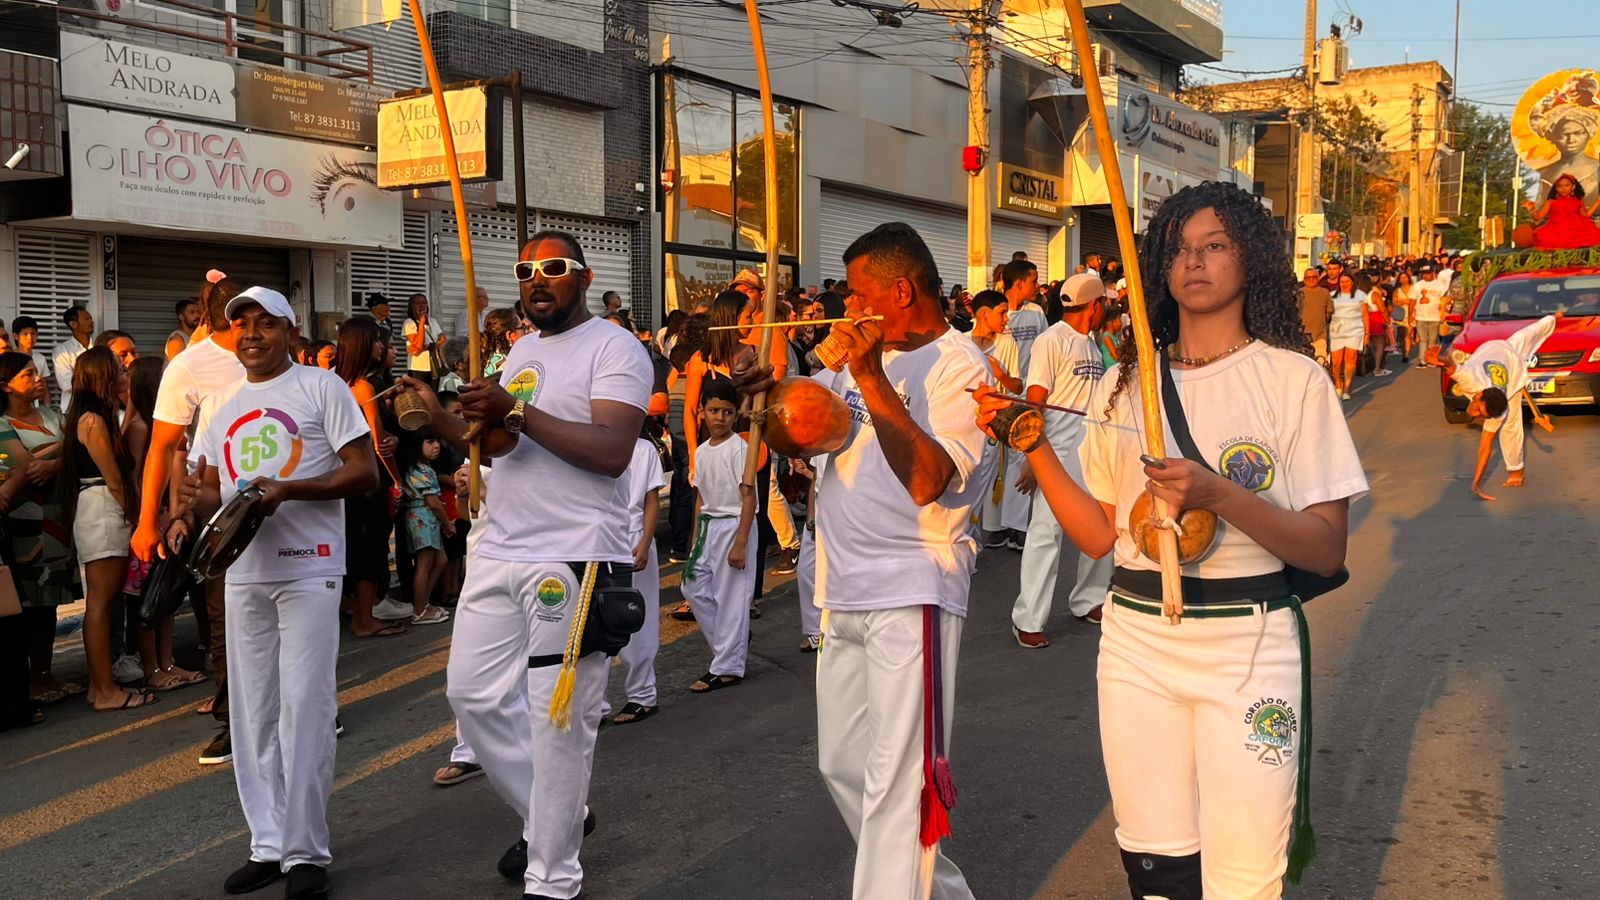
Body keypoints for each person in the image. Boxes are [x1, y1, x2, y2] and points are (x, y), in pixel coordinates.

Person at [975, 181, 1366, 899]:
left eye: (1214, 246)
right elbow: (1098, 535)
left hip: (1248, 648)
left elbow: (1326, 549)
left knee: (1244, 881)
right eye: (1179, 249)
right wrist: (1031, 445)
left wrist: (1220, 494)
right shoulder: (1127, 387)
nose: (1195, 262)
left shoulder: (1294, 382)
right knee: (1156, 874)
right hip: (1136, 649)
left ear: (1250, 260)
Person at [737, 222, 991, 899]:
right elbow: (807, 427)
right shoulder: (843, 364)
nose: (845, 307)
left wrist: (871, 376)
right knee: (843, 764)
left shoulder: (963, 367)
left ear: (899, 291)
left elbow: (928, 481)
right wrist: (766, 402)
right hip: (842, 588)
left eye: (856, 294)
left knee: (897, 786)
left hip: (916, 589)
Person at [409, 231, 650, 899]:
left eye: (553, 268)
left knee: (558, 721)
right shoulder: (519, 350)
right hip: (498, 547)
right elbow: (502, 449)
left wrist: (515, 408)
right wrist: (448, 418)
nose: (536, 279)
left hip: (571, 556)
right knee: (473, 697)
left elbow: (610, 451)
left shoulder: (615, 348)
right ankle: (559, 813)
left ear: (583, 275)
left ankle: (554, 876)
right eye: (525, 270)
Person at [170, 286, 377, 900]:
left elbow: (363, 472)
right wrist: (188, 508)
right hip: (243, 572)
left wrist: (289, 491)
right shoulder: (221, 401)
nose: (252, 334)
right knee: (253, 713)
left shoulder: (323, 389)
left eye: (266, 323)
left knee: (305, 708)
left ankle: (307, 850)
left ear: (290, 332)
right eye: (243, 326)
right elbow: (210, 488)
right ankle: (267, 843)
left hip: (310, 565)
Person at [132, 275, 247, 765]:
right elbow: (165, 447)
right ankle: (232, 722)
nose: (253, 333)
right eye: (243, 320)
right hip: (218, 508)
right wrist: (151, 520)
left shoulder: (279, 359)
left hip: (287, 505)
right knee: (222, 618)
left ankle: (313, 707)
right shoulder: (189, 366)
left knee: (293, 613)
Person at [1011, 273, 1111, 647]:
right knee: (1045, 535)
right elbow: (1035, 399)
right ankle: (1028, 619)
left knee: (1104, 528)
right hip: (1056, 455)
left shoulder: (1090, 341)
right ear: (1096, 305)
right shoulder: (1050, 341)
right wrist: (1031, 458)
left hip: (1095, 451)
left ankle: (1089, 599)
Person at [58, 348, 152, 711]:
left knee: (102, 602)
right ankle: (106, 690)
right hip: (102, 507)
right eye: (117, 369)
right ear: (103, 375)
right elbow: (114, 478)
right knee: (100, 603)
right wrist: (136, 517)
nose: (124, 372)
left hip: (99, 505)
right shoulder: (92, 421)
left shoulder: (96, 417)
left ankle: (100, 688)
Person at [124, 356, 206, 692]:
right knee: (148, 593)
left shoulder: (169, 423)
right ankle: (151, 666)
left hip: (168, 512)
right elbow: (137, 476)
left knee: (168, 589)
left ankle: (167, 660)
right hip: (148, 514)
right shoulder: (140, 427)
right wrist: (150, 516)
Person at [0, 353, 76, 706]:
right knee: (26, 599)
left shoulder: (50, 415)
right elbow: (27, 467)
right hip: (23, 522)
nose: (37, 377)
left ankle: (45, 672)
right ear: (6, 386)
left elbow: (72, 456)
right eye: (28, 374)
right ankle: (29, 676)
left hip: (57, 516)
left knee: (49, 600)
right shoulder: (2, 423)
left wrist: (58, 459)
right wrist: (65, 448)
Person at [681, 379, 757, 694]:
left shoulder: (741, 449)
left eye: (727, 412)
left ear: (735, 414)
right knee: (693, 587)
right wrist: (695, 538)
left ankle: (726, 666)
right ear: (702, 412)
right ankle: (730, 646)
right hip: (709, 527)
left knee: (730, 597)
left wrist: (741, 542)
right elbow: (700, 498)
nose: (720, 418)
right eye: (714, 410)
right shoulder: (701, 451)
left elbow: (749, 497)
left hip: (734, 524)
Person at [332, 317, 405, 640]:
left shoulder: (336, 382)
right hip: (369, 479)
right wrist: (398, 480)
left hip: (345, 477)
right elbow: (378, 442)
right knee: (371, 548)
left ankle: (354, 609)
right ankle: (364, 618)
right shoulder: (363, 386)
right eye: (377, 341)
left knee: (354, 546)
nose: (381, 347)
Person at [1443, 311, 1561, 501]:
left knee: (1511, 426)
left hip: (1512, 367)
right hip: (1493, 348)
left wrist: (1476, 483)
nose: (1478, 416)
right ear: (1478, 395)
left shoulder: (1497, 409)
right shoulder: (1472, 380)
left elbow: (1484, 447)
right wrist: (1438, 360)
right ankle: (1553, 318)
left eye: (1483, 415)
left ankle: (1517, 471)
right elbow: (1451, 367)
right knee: (1528, 335)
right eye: (1480, 410)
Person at [602, 422, 666, 724]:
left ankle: (642, 694)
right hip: (600, 541)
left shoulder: (644, 449)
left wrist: (645, 542)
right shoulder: (593, 443)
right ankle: (594, 704)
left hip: (633, 538)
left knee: (637, 618)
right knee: (596, 624)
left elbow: (651, 500)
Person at [968, 290, 1026, 549]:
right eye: (1002, 313)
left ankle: (978, 536)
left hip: (993, 424)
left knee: (986, 481)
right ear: (983, 314)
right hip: (966, 423)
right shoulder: (960, 342)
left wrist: (999, 374)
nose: (1006, 319)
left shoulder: (1007, 344)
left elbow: (1017, 387)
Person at [399, 433, 453, 626]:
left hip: (428, 519)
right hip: (423, 518)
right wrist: (447, 523)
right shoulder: (418, 471)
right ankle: (419, 611)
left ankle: (423, 603)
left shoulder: (425, 468)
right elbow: (434, 503)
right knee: (425, 564)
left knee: (440, 560)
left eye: (437, 441)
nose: (436, 445)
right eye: (430, 442)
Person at [1524, 173, 1600, 249]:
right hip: (1557, 233)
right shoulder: (1551, 202)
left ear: (1573, 187)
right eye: (1560, 186)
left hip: (1578, 233)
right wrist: (1532, 208)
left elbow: (1585, 216)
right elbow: (1538, 217)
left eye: (1567, 185)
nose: (1563, 188)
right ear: (1556, 188)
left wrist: (1597, 202)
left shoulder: (1578, 202)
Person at [1002, 259, 1047, 379]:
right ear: (1019, 284)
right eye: (1034, 281)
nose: (1038, 286)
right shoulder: (993, 313)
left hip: (1030, 389)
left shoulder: (1037, 311)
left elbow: (1045, 349)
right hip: (1002, 391)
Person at [1328, 273, 1365, 400]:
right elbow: (1328, 312)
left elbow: (1365, 315)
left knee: (1351, 359)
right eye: (1342, 281)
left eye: (1347, 281)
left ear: (1352, 282)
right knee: (1336, 362)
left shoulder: (1360, 295)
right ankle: (1338, 383)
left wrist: (1367, 334)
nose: (1344, 284)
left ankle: (1347, 388)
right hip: (1337, 330)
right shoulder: (1332, 295)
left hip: (1355, 330)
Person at [53, 305, 94, 412]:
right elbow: (66, 384)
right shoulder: (62, 351)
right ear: (73, 324)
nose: (91, 322)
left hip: (99, 409)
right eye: (87, 319)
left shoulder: (99, 346)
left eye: (91, 318)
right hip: (73, 411)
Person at [403, 294, 445, 387]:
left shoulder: (432, 321)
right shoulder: (409, 323)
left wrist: (427, 347)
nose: (422, 306)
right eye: (418, 303)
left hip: (434, 365)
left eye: (424, 303)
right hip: (417, 367)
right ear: (411, 306)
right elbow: (418, 345)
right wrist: (421, 323)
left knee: (433, 394)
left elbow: (443, 339)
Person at [1413, 263, 1448, 367]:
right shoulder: (1418, 285)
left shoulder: (1440, 285)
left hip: (1435, 316)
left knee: (1432, 340)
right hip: (1420, 316)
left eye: (1428, 273)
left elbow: (1444, 300)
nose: (1425, 276)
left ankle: (1430, 359)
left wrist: (1443, 314)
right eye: (1423, 274)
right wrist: (1411, 314)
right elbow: (1412, 300)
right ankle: (1422, 360)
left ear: (1433, 273)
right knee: (1423, 339)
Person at [1299, 268, 1332, 365]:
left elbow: (1328, 314)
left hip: (1320, 337)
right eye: (1308, 277)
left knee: (1321, 364)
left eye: (1314, 277)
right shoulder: (1298, 293)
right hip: (1302, 337)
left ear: (1318, 278)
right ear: (1304, 280)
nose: (1311, 279)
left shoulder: (1325, 293)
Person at [12, 317, 51, 390]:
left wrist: (47, 401)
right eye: (25, 334)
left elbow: (44, 389)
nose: (30, 337)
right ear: (15, 336)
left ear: (37, 334)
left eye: (33, 333)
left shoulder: (40, 358)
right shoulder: (9, 358)